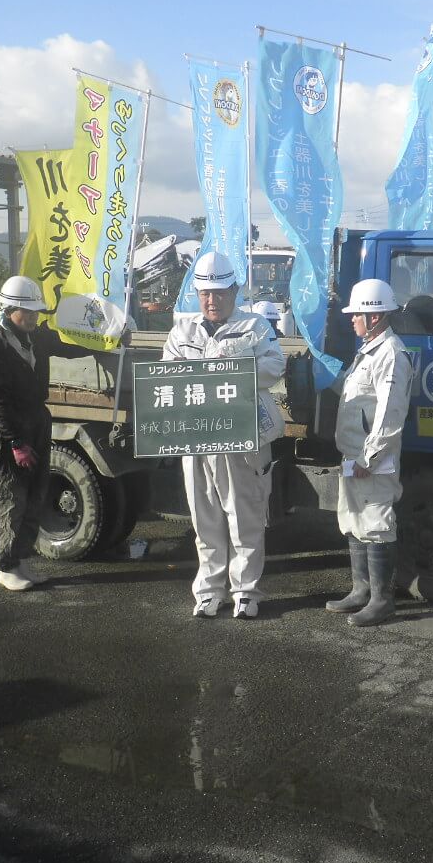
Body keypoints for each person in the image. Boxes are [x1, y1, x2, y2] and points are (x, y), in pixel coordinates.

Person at [164, 252, 286, 619]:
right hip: (195, 439)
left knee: (245, 517)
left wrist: (229, 371)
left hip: (241, 439)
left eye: (219, 292)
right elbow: (166, 374)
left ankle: (246, 591)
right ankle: (209, 590)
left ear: (234, 290)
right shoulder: (182, 331)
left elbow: (275, 365)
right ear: (197, 294)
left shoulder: (256, 328)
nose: (212, 300)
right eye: (205, 293)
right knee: (204, 519)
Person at [0, 275, 93, 592]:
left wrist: (106, 341)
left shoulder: (36, 340)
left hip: (37, 418)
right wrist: (16, 443)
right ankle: (5, 566)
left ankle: (21, 559)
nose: (31, 317)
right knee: (8, 497)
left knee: (35, 494)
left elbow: (66, 347)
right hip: (10, 425)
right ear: (7, 310)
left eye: (34, 312)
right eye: (24, 312)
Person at [325, 279, 412, 627]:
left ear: (374, 316)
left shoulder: (391, 355)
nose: (352, 319)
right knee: (353, 518)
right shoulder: (369, 350)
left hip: (371, 459)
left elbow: (391, 413)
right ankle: (361, 591)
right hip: (353, 455)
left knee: (376, 522)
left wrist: (369, 458)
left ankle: (381, 600)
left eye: (357, 313)